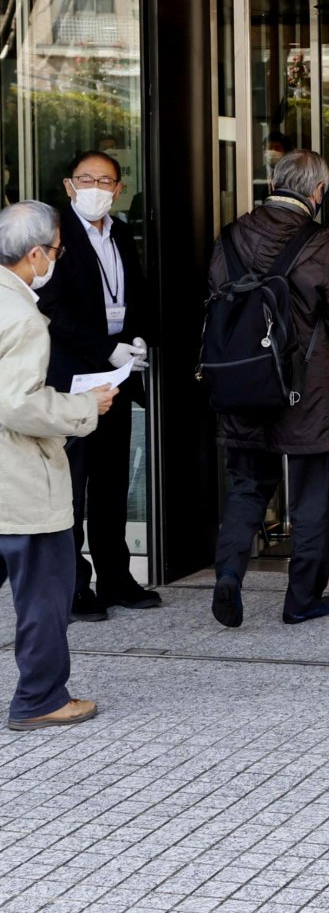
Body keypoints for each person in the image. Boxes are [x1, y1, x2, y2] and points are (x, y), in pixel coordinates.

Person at [209, 149, 329, 628]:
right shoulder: (323, 241)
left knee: (249, 484)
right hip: (302, 384)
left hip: (243, 376)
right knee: (309, 493)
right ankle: (303, 599)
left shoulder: (231, 236)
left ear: (275, 183)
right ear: (316, 192)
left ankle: (229, 576)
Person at [0, 200, 117, 731]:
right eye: (55, 251)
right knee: (45, 595)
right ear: (34, 254)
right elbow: (18, 404)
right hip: (21, 478)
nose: (57, 260)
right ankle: (41, 698)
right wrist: (83, 407)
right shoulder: (23, 317)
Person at [38, 150, 159, 619]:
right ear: (69, 186)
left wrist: (138, 339)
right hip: (73, 375)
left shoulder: (122, 232)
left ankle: (116, 577)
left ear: (118, 188)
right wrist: (101, 349)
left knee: (111, 481)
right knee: (72, 483)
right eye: (86, 179)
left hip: (117, 374)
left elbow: (136, 292)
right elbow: (51, 308)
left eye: (104, 181)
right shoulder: (54, 237)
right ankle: (72, 585)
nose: (95, 188)